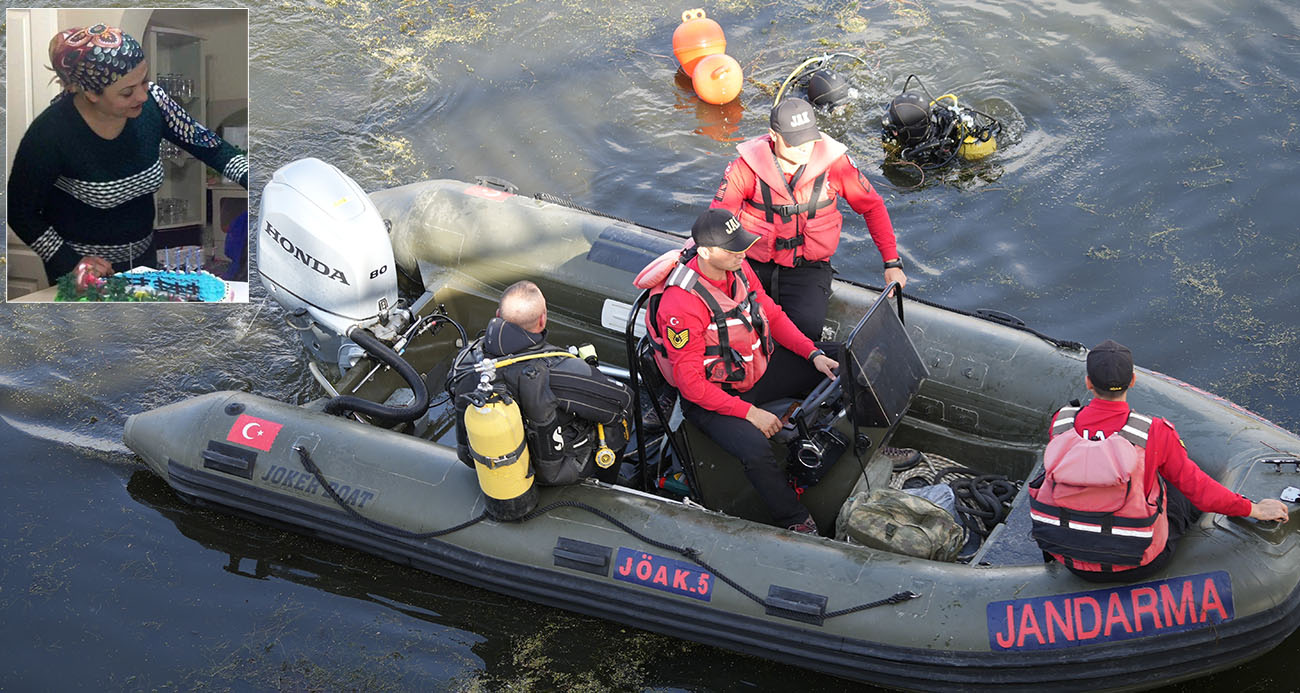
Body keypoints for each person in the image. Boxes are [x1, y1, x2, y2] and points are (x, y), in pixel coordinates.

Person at [638, 208, 839, 534]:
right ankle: (793, 519)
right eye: (733, 248)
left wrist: (812, 353)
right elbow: (691, 386)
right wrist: (750, 414)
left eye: (742, 245)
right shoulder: (682, 305)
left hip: (754, 368)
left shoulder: (740, 267)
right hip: (714, 395)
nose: (742, 252)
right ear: (705, 252)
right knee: (754, 449)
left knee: (841, 359)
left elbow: (771, 314)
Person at [1029, 339, 1289, 583]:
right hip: (1139, 562)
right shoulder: (1154, 432)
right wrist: (1254, 509)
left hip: (1072, 560)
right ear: (1132, 380)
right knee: (1177, 490)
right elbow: (1202, 493)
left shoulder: (1062, 424)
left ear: (1088, 383)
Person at [7, 24, 249, 284]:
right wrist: (68, 261)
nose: (143, 95)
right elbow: (19, 211)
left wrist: (257, 182)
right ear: (90, 93)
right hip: (81, 269)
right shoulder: (51, 132)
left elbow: (209, 146)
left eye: (144, 80)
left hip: (142, 258)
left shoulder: (154, 102)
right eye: (127, 92)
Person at [709, 97, 905, 340]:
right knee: (738, 331)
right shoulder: (746, 167)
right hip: (752, 265)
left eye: (809, 139)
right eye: (795, 142)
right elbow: (717, 221)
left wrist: (892, 263)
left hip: (807, 268)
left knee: (804, 334)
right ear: (773, 135)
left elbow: (873, 207)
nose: (804, 148)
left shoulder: (836, 166)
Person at [451, 281, 633, 486]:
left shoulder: (466, 361)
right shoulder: (562, 370)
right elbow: (621, 400)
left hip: (484, 460)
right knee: (623, 408)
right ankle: (609, 481)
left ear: (498, 314)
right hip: (555, 473)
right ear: (543, 319)